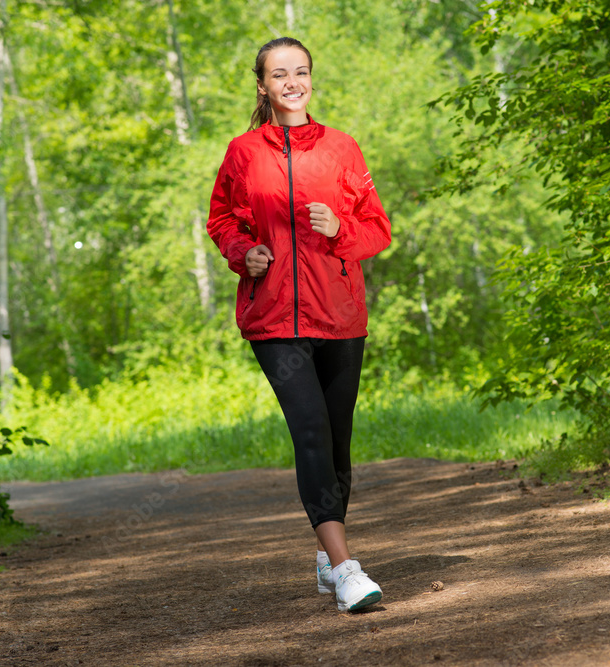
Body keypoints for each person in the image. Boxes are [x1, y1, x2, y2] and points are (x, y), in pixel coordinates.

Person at [206, 37, 391, 613]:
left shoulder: (342, 149)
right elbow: (221, 220)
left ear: (311, 79)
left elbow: (378, 231)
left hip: (340, 316)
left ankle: (324, 553)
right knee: (309, 430)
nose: (292, 82)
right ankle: (345, 568)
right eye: (279, 74)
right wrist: (245, 254)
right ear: (262, 85)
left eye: (301, 72)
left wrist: (340, 227)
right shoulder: (243, 152)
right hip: (274, 320)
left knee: (337, 442)